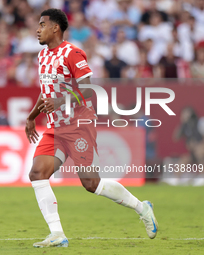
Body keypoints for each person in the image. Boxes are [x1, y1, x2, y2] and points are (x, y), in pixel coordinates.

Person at [25, 9, 158, 248]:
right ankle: (57, 234)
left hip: (78, 125)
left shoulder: (73, 53)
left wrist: (59, 102)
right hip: (56, 128)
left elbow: (88, 89)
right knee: (37, 173)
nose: (38, 29)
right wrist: (31, 117)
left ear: (55, 27)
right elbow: (45, 92)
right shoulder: (42, 56)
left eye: (42, 24)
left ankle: (142, 207)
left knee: (91, 184)